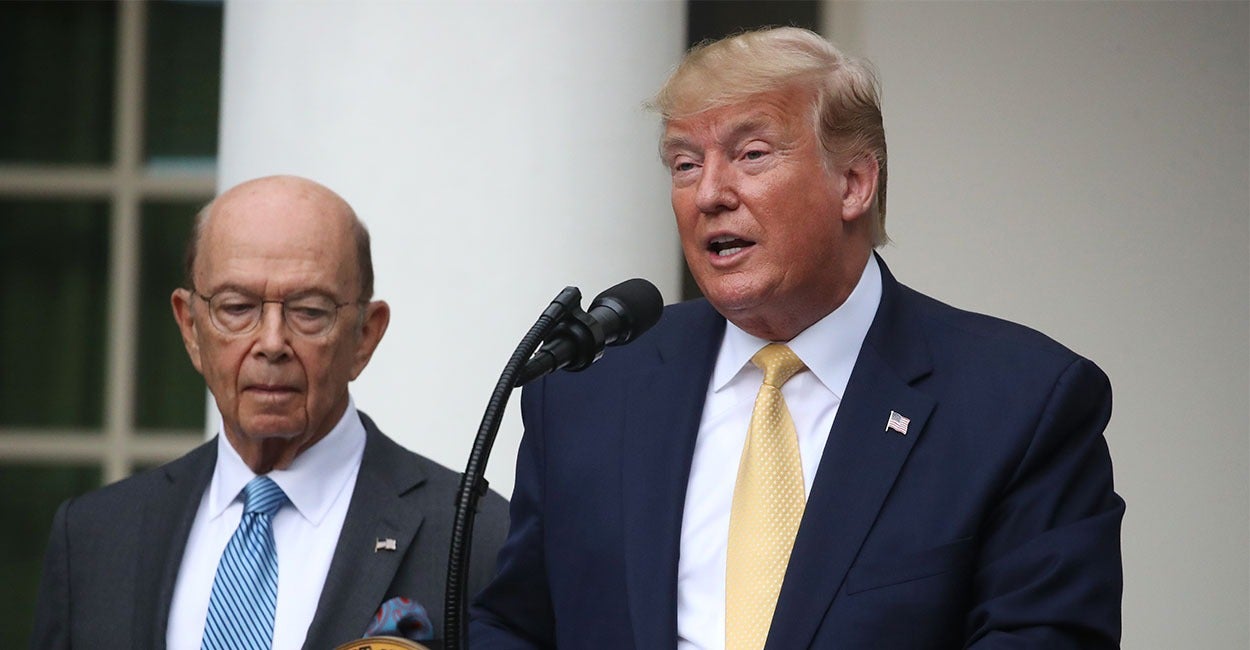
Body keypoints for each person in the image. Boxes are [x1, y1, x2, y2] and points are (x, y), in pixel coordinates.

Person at [470, 27, 1123, 649]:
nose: (709, 194)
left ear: (854, 183)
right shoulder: (588, 388)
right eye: (685, 164)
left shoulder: (1020, 405)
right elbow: (517, 628)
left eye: (752, 155)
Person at [32, 175, 509, 649]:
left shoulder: (477, 537)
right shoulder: (95, 537)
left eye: (310, 311)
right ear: (190, 327)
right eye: (237, 307)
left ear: (365, 336)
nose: (272, 342)